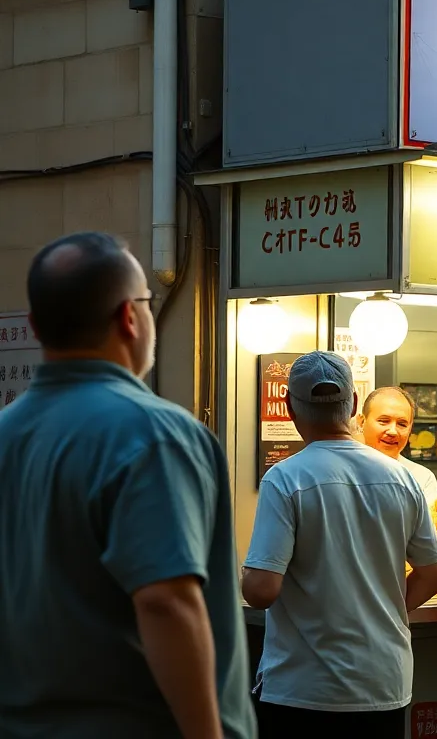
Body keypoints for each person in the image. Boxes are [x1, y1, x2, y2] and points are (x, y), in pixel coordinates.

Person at [0, 231, 255, 738]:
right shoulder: (153, 435)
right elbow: (166, 601)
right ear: (129, 317)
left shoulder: (7, 433)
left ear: (36, 326)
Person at [242, 351, 437, 737]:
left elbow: (260, 590)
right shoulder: (404, 479)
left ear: (289, 406)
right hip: (383, 683)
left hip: (304, 689)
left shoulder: (285, 479)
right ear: (354, 404)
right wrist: (382, 606)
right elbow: (436, 574)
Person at [357, 385, 437, 505]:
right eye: (384, 421)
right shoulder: (341, 471)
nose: (392, 431)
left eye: (402, 424)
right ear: (361, 422)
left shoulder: (422, 478)